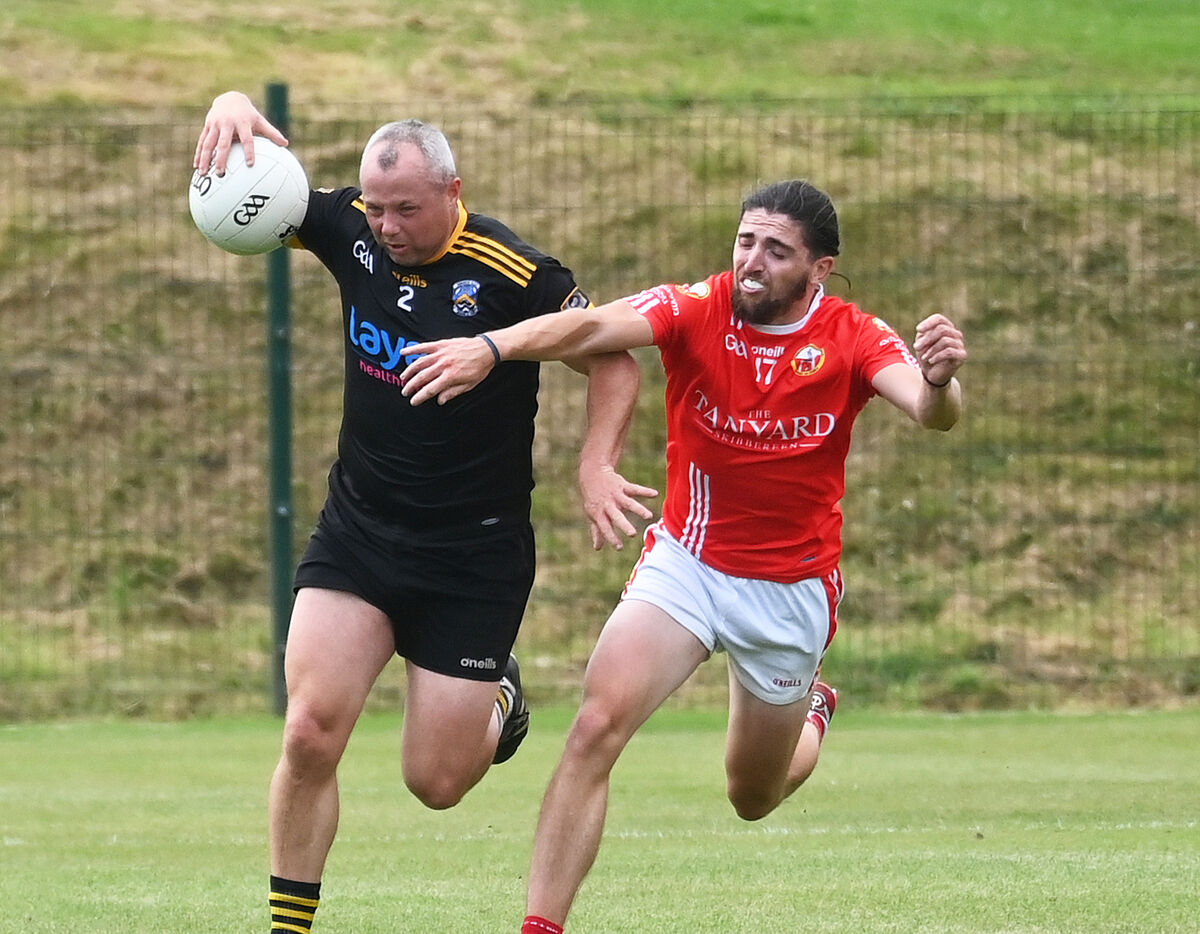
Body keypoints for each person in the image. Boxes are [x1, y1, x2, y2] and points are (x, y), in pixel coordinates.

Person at [399, 178, 968, 933]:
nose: (753, 261)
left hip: (790, 592)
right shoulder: (696, 307)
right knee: (595, 728)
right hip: (688, 567)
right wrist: (491, 346)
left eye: (776, 249)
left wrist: (940, 381)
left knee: (751, 796)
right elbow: (590, 330)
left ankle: (813, 712)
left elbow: (930, 414)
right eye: (745, 241)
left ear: (820, 268)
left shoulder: (853, 335)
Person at [192, 91, 655, 933]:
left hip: (471, 560)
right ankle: (287, 927)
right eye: (374, 206)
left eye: (405, 207)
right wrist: (230, 104)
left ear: (452, 191)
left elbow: (615, 359)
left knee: (436, 785)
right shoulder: (349, 230)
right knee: (308, 735)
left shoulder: (516, 274)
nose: (386, 224)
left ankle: (500, 700)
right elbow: (257, 196)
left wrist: (595, 465)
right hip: (360, 535)